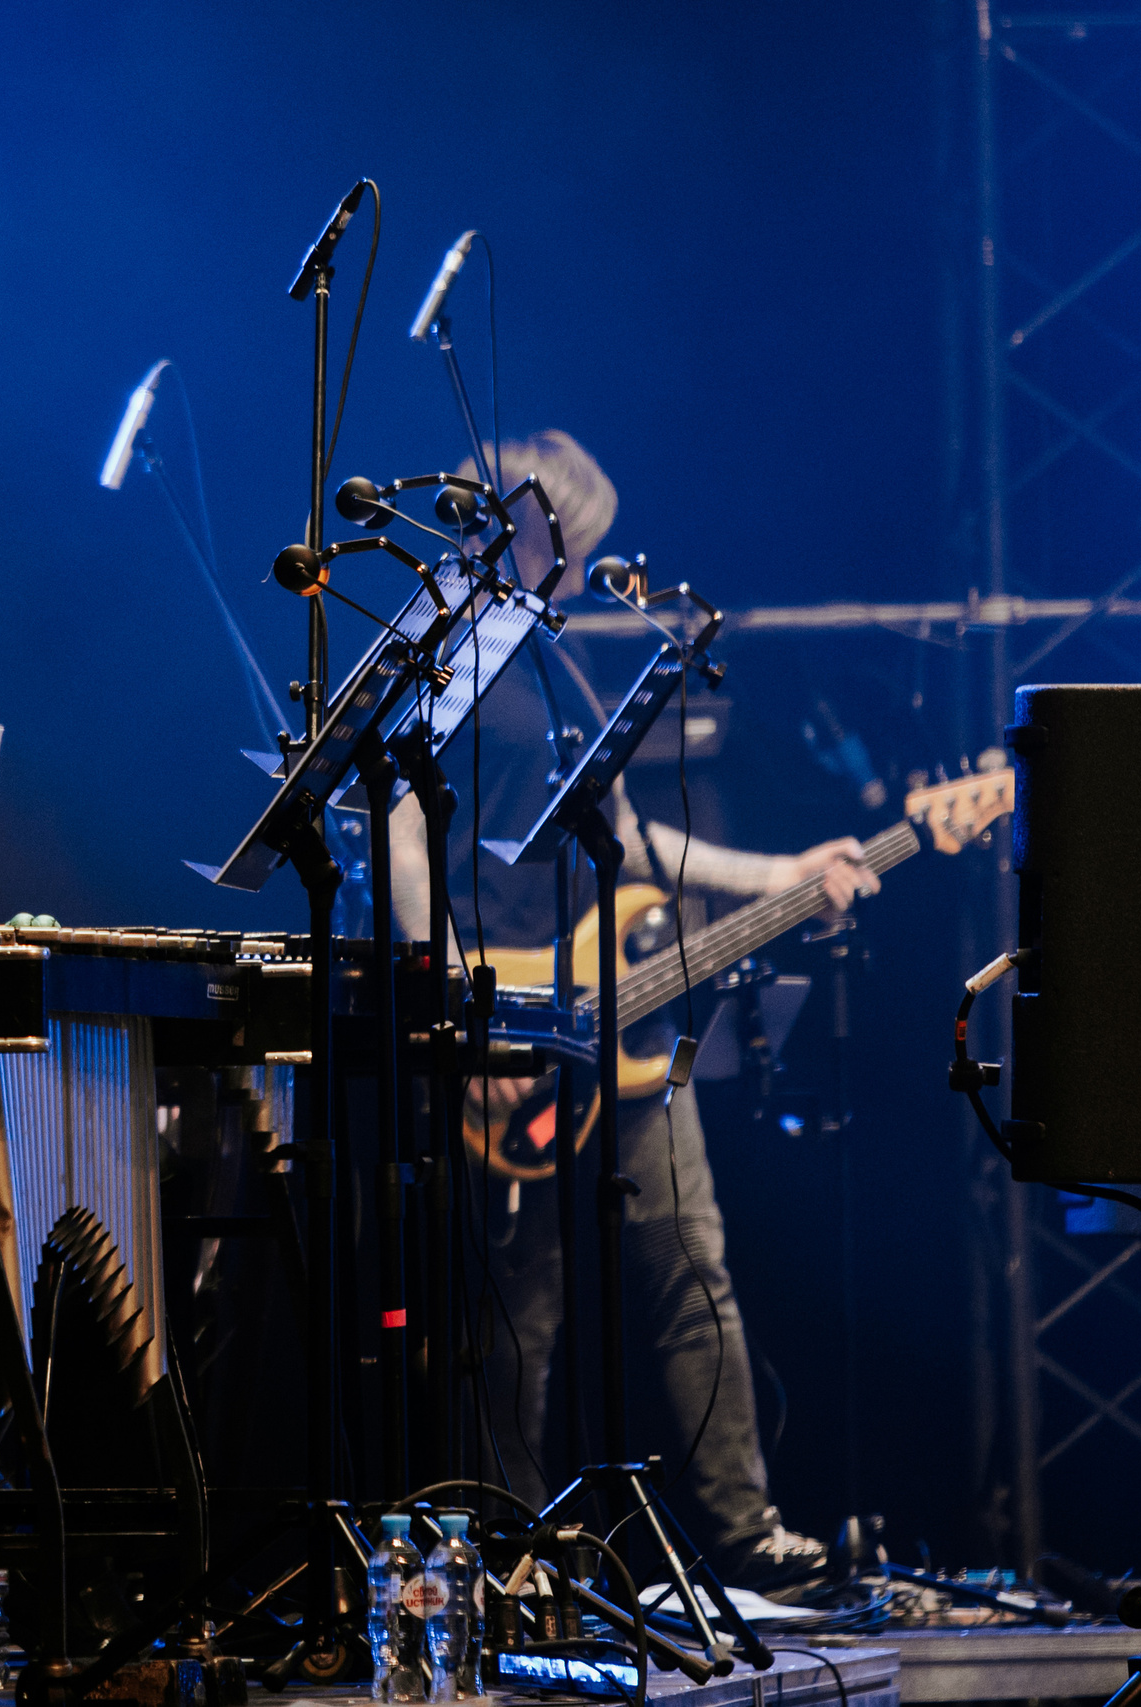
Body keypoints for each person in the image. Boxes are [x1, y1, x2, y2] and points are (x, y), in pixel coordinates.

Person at [385, 430, 869, 1589]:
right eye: (560, 539)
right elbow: (399, 832)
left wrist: (782, 874)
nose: (566, 563)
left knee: (690, 1271)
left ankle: (750, 1539)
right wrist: (456, 999)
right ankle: (499, 1553)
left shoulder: (553, 658)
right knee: (522, 1312)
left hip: (612, 1016)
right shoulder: (437, 648)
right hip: (504, 1000)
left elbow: (624, 834)